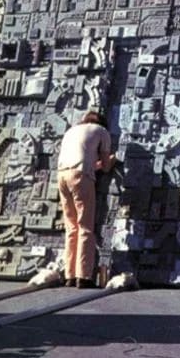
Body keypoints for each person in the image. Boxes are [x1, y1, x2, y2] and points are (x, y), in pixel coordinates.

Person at [57, 111, 116, 289]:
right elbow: (106, 167)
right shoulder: (102, 131)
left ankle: (69, 275)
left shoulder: (71, 131)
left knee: (71, 227)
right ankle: (83, 277)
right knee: (85, 227)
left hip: (62, 175)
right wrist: (113, 159)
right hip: (81, 176)